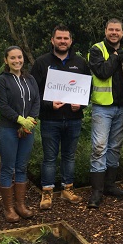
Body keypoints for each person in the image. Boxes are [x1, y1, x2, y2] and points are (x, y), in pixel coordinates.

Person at [31, 25, 91, 210]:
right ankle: (47, 192)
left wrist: (81, 104)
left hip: (73, 118)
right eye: (59, 38)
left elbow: (87, 90)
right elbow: (34, 92)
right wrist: (49, 105)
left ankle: (68, 189)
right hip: (50, 119)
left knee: (69, 156)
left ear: (71, 41)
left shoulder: (80, 63)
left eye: (66, 38)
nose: (63, 41)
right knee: (49, 157)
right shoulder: (41, 63)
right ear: (52, 40)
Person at [87, 18, 123, 208]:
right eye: (111, 29)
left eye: (117, 30)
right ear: (105, 31)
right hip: (103, 106)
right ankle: (97, 191)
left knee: (114, 147)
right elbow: (102, 71)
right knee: (99, 147)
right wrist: (117, 56)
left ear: (122, 32)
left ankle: (110, 185)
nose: (114, 33)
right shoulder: (96, 50)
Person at [0, 46, 40, 223]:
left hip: (28, 128)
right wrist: (19, 119)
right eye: (12, 58)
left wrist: (30, 119)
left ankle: (20, 205)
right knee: (7, 168)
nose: (17, 61)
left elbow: (36, 99)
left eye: (19, 57)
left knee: (22, 167)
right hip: (8, 129)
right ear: (6, 60)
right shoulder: (3, 80)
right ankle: (9, 208)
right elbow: (3, 105)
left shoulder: (30, 79)